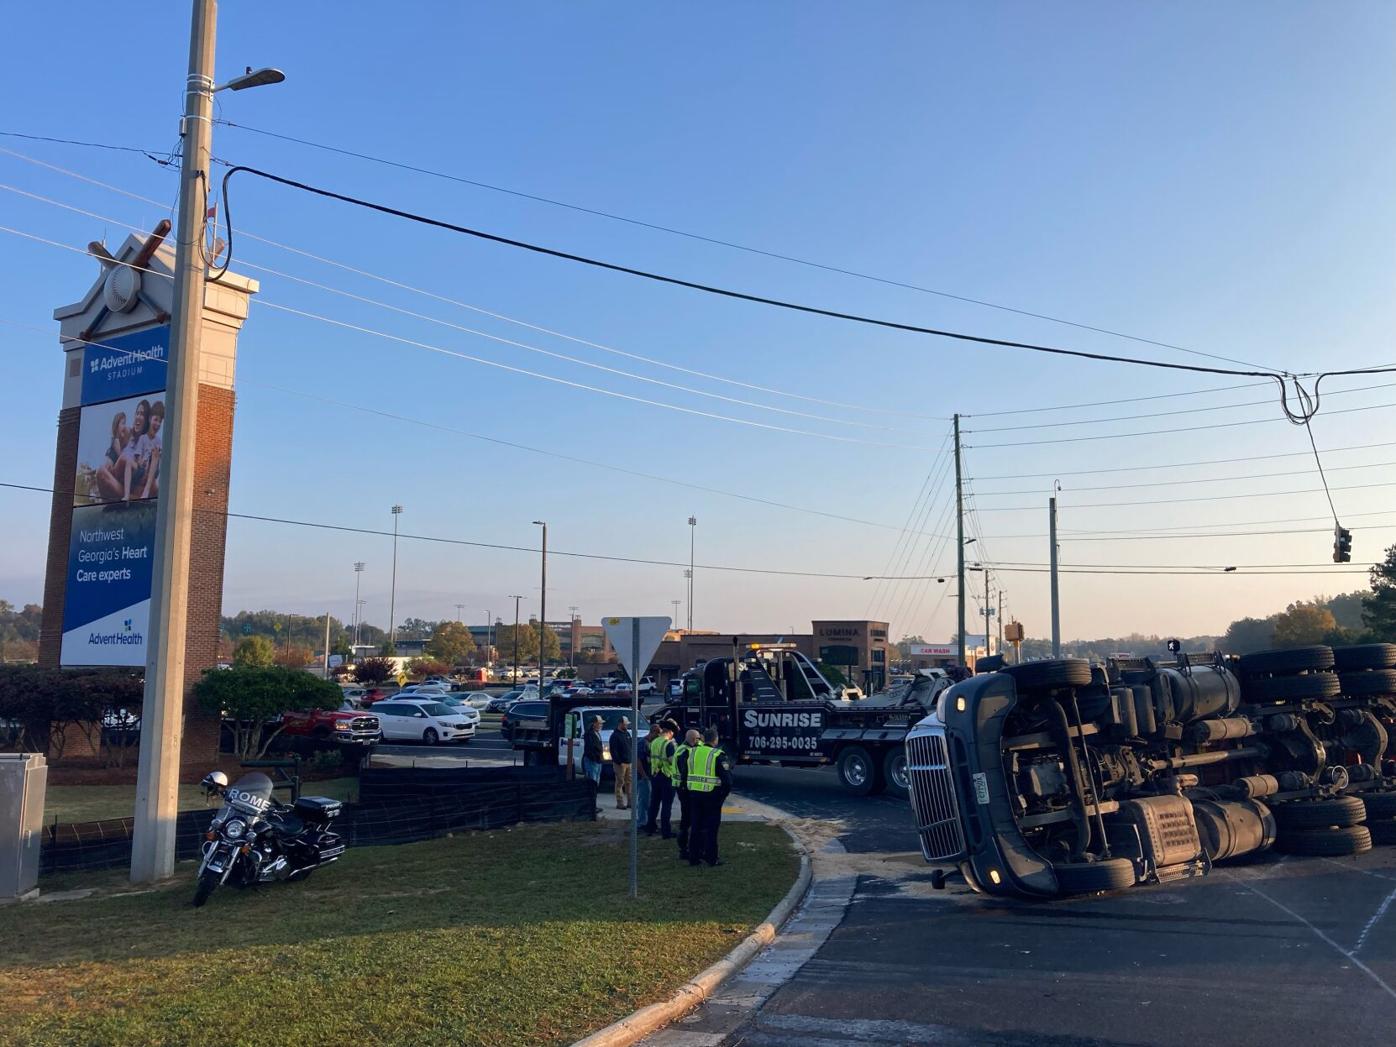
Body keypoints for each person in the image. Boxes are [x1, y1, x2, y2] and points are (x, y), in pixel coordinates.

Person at [687, 726, 733, 867]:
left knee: (695, 827)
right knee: (711, 829)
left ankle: (694, 858)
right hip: (712, 797)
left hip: (694, 795)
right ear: (715, 739)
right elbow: (728, 782)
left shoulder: (693, 752)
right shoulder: (718, 755)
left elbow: (685, 773)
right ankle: (711, 858)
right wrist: (721, 799)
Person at [642, 719, 676, 839]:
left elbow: (649, 759)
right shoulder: (669, 744)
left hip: (655, 776)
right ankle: (666, 831)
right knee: (666, 805)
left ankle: (650, 827)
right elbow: (672, 761)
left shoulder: (654, 742)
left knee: (654, 803)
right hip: (667, 776)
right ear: (670, 732)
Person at [673, 728, 700, 861]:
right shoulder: (686, 751)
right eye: (698, 739)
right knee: (688, 820)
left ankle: (684, 848)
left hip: (680, 788)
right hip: (686, 790)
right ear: (694, 739)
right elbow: (685, 772)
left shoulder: (680, 748)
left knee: (686, 819)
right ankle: (685, 849)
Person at [609, 715, 633, 810]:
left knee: (629, 782)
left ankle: (630, 802)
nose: (626, 726)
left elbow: (630, 746)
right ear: (620, 724)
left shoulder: (627, 734)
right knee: (620, 783)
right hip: (620, 764)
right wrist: (619, 761)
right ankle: (620, 803)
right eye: (625, 724)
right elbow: (613, 751)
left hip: (629, 762)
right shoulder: (614, 736)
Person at [634, 720, 653, 823]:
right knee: (643, 800)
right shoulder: (642, 743)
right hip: (643, 776)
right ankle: (641, 822)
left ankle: (645, 821)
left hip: (647, 775)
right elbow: (638, 761)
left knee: (647, 800)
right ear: (653, 732)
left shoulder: (648, 743)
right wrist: (644, 775)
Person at [582, 715, 605, 791]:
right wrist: (594, 757)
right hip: (591, 760)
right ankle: (590, 795)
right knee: (592, 780)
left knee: (597, 779)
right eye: (599, 723)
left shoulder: (597, 734)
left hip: (598, 760)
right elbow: (590, 747)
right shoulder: (589, 734)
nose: (601, 725)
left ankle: (594, 794)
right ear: (594, 724)